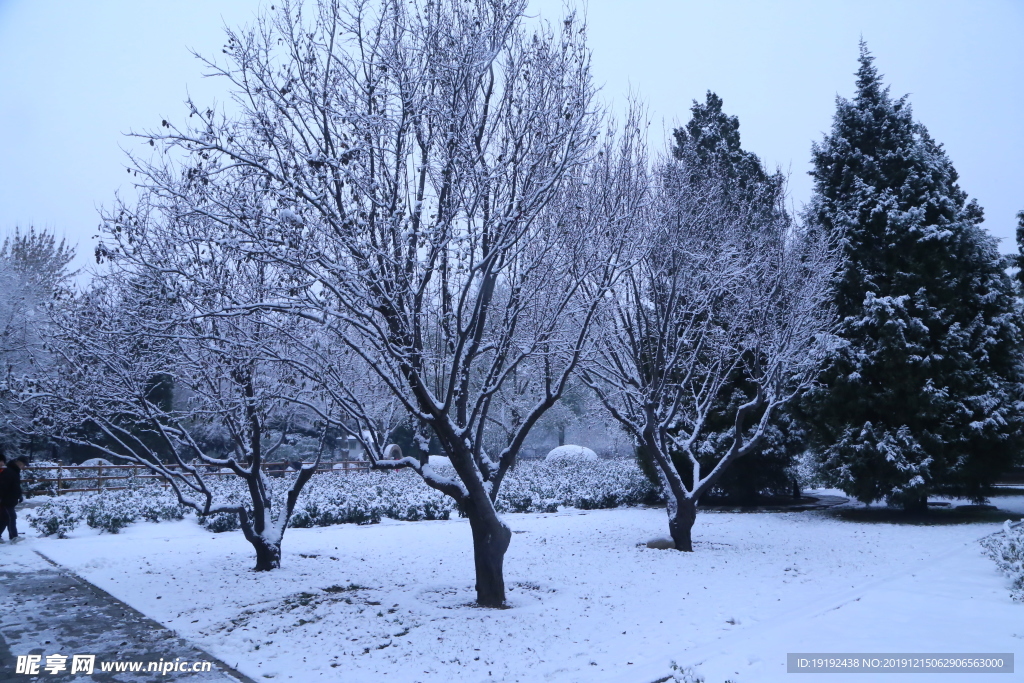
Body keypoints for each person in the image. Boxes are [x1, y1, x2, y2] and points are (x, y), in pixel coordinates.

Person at [0, 457, 28, 543]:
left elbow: (15, 486)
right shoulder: (9, 472)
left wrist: (19, 495)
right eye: (22, 464)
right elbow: (3, 486)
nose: (22, 466)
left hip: (9, 500)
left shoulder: (14, 471)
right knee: (11, 517)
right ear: (17, 462)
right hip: (5, 500)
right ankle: (13, 537)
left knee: (5, 519)